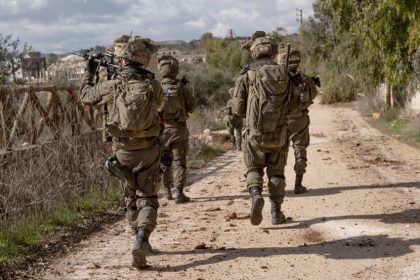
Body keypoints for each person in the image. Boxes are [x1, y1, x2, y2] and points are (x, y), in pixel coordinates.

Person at [80, 34, 162, 269]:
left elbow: (85, 96)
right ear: (143, 60)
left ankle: (135, 233)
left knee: (130, 196)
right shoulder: (152, 84)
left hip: (122, 151)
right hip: (148, 149)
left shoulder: (112, 86)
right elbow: (160, 106)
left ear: (123, 60)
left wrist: (90, 71)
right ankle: (142, 239)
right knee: (149, 197)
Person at [231, 34, 298, 226]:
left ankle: (255, 195)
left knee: (254, 168)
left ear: (254, 53)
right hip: (279, 134)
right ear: (272, 51)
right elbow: (294, 106)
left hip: (254, 135)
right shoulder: (284, 73)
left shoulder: (247, 75)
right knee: (277, 174)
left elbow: (237, 108)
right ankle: (276, 213)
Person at [277, 48, 318, 194]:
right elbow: (313, 95)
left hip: (280, 121)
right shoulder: (305, 78)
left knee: (280, 154)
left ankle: (278, 186)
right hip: (299, 120)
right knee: (300, 150)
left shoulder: (277, 79)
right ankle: (298, 185)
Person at [157, 55, 195, 203]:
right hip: (178, 131)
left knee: (165, 162)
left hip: (161, 131)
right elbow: (191, 107)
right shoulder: (181, 88)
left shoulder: (156, 87)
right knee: (179, 161)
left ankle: (167, 191)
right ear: (175, 70)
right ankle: (179, 192)